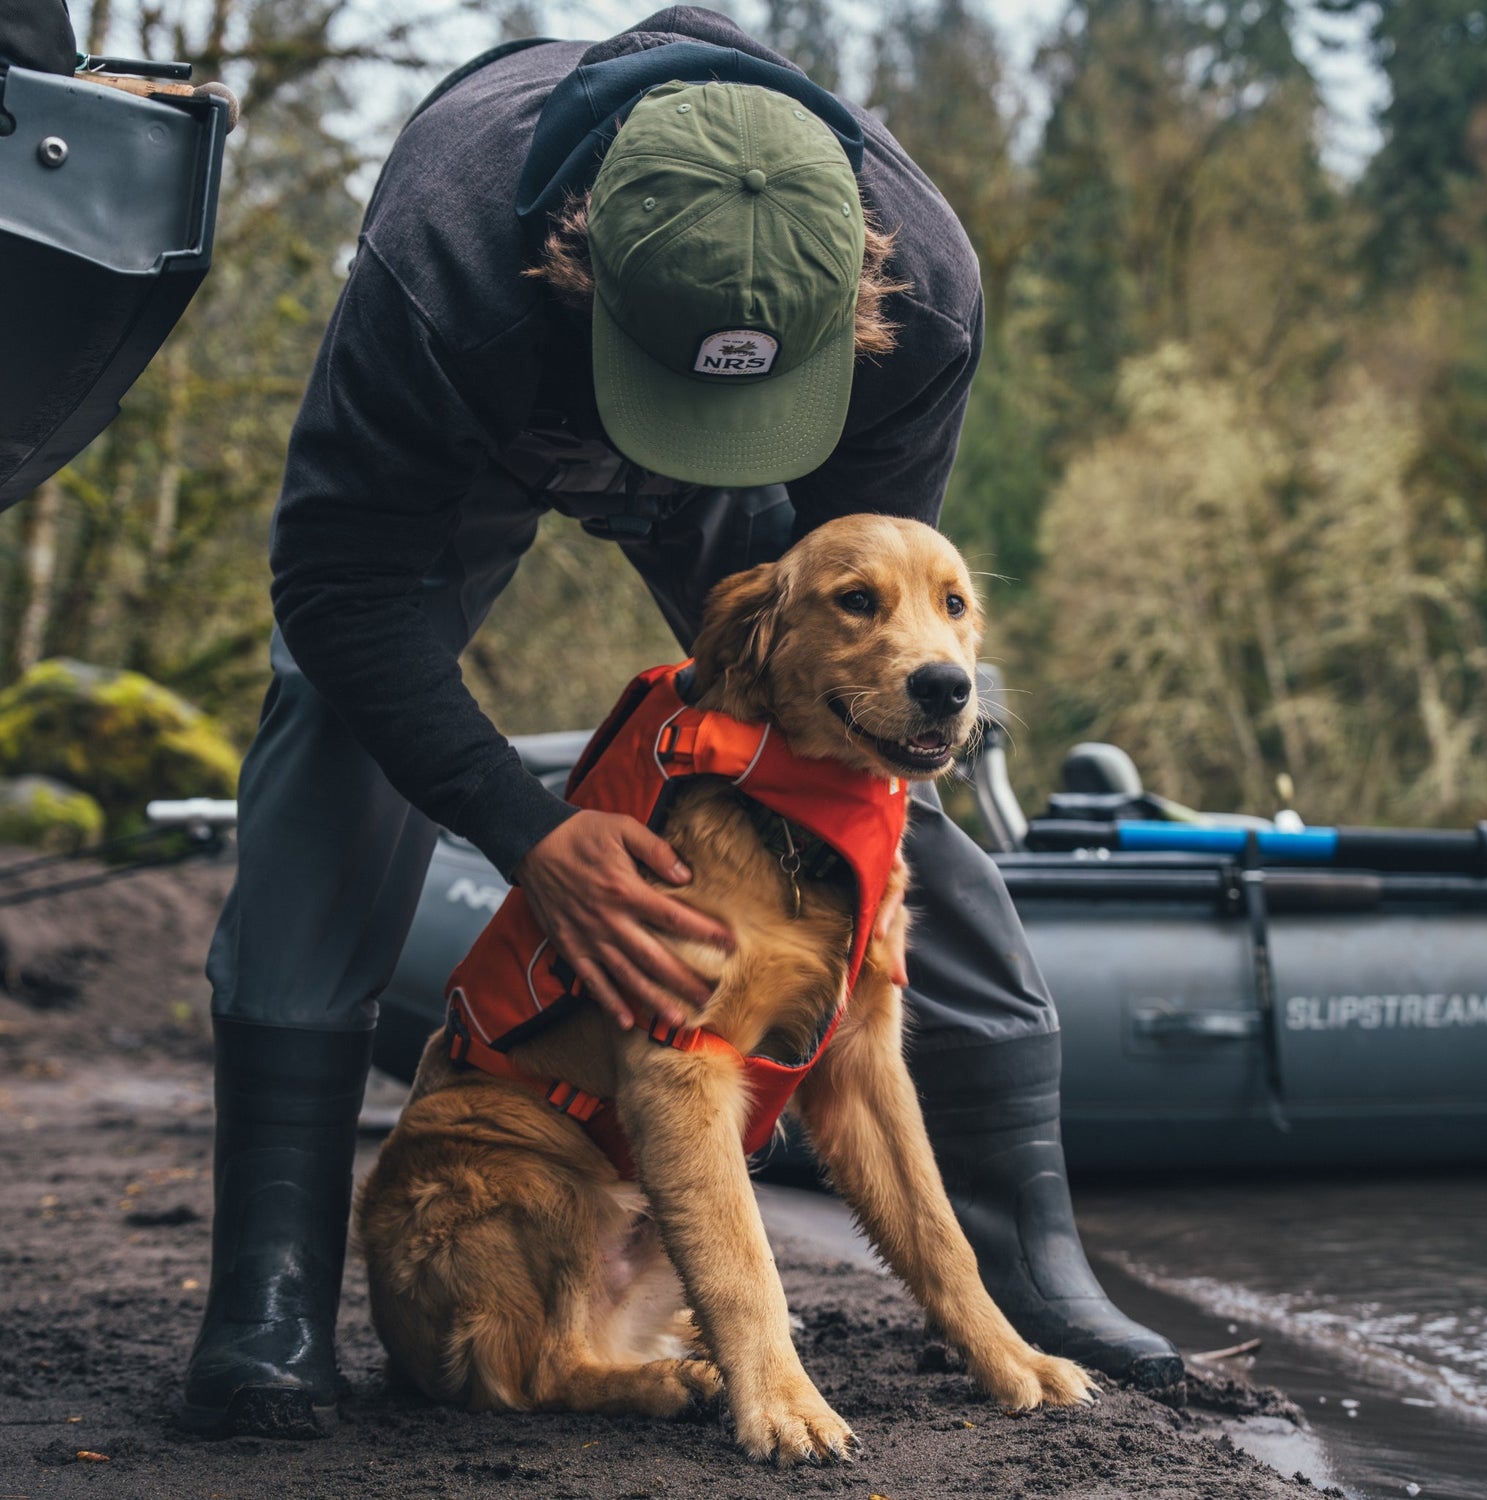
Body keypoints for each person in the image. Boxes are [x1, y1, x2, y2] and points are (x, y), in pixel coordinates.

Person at [181, 6, 1182, 1439]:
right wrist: (530, 831)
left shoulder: (926, 294)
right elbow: (341, 586)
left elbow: (891, 645)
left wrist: (855, 729)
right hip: (491, 416)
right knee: (329, 723)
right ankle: (267, 1293)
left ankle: (1030, 1256)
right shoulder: (446, 266)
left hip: (772, 469)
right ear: (569, 262)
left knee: (881, 745)